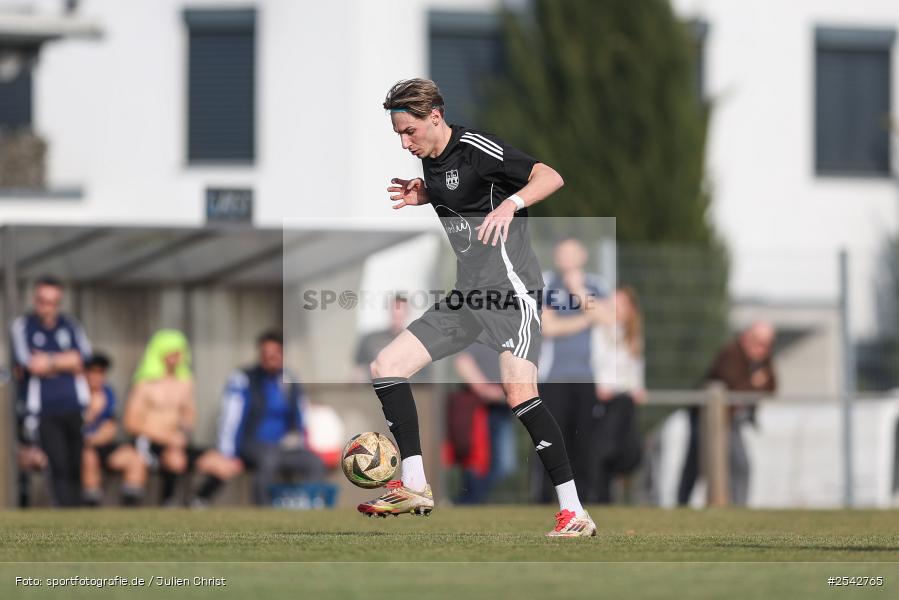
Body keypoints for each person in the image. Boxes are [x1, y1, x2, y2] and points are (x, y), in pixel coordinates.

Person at [357, 78, 595, 537]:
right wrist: (424, 195)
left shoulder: (475, 148)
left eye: (410, 132)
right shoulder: (430, 162)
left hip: (511, 294)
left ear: (435, 117)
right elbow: (460, 192)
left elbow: (551, 176)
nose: (406, 143)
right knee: (386, 364)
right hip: (468, 297)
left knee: (517, 392)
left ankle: (574, 512)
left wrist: (512, 203)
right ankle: (414, 484)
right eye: (399, 136)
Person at [192, 330, 325, 506]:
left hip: (282, 446)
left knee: (313, 462)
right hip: (251, 445)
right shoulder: (243, 378)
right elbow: (230, 418)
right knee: (269, 458)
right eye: (266, 353)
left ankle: (309, 506)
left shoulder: (290, 380)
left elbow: (300, 416)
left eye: (275, 353)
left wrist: (301, 442)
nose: (271, 358)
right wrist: (227, 452)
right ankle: (263, 510)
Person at [536, 238, 608, 502]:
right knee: (551, 439)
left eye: (572, 253)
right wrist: (587, 317)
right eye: (562, 252)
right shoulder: (545, 282)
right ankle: (544, 497)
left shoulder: (596, 284)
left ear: (582, 256)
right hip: (552, 378)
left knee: (584, 440)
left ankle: (585, 497)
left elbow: (608, 317)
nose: (566, 258)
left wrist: (578, 290)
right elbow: (548, 327)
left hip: (588, 378)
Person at [9, 276, 92, 506]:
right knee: (57, 463)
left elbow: (83, 357)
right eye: (42, 300)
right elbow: (30, 363)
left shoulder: (70, 325)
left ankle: (77, 513)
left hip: (73, 406)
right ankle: (65, 515)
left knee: (76, 464)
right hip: (43, 409)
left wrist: (50, 361)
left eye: (52, 301)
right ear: (35, 300)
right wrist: (65, 361)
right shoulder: (23, 326)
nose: (46, 306)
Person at [677, 320, 777, 506]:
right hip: (707, 418)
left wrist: (758, 381)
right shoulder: (730, 355)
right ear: (747, 338)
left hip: (731, 421)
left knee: (739, 465)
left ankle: (737, 506)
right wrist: (753, 383)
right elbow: (730, 392)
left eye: (766, 344)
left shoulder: (761, 359)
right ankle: (682, 503)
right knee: (697, 464)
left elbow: (772, 385)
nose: (762, 349)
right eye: (758, 342)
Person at [123, 329, 201, 505]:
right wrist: (164, 437)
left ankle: (169, 504)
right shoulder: (145, 384)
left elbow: (189, 414)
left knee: (177, 460)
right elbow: (131, 422)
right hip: (147, 440)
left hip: (173, 443)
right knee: (136, 463)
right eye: (171, 352)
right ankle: (129, 511)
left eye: (178, 352)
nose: (175, 357)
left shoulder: (185, 382)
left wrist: (183, 432)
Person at [590, 286, 646, 503]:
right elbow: (596, 362)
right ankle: (599, 497)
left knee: (628, 451)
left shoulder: (632, 334)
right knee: (602, 451)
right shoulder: (598, 331)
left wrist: (637, 388)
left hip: (624, 399)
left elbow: (635, 366)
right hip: (605, 399)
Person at [448, 342, 516, 504]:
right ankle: (466, 502)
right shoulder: (482, 334)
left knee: (503, 466)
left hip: (501, 410)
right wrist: (485, 389)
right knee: (477, 461)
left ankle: (467, 501)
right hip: (479, 409)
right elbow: (462, 361)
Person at [80, 353, 146, 506]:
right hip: (81, 447)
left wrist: (99, 436)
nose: (97, 377)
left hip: (102, 445)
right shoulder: (75, 394)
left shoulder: (108, 393)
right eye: (93, 372)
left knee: (136, 459)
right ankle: (90, 512)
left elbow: (111, 427)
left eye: (101, 373)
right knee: (88, 457)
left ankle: (130, 512)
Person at [354, 295, 410, 382]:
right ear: (390, 311)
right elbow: (358, 370)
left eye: (400, 315)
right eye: (395, 314)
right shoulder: (371, 339)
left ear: (407, 314)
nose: (397, 318)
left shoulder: (414, 344)